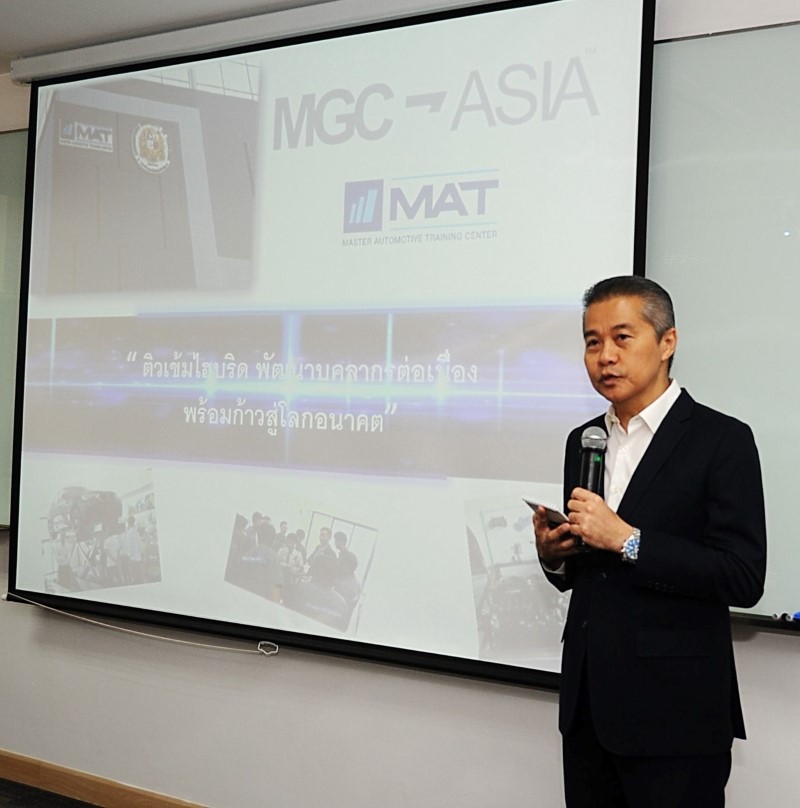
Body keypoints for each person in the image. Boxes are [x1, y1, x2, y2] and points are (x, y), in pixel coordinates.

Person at [533, 276, 766, 808]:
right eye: (592, 342)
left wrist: (629, 540)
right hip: (588, 711)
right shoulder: (584, 439)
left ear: (667, 343)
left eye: (621, 338)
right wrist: (555, 557)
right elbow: (591, 570)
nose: (605, 356)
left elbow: (742, 576)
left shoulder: (722, 440)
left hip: (675, 718)